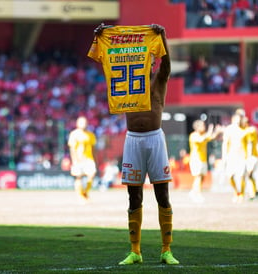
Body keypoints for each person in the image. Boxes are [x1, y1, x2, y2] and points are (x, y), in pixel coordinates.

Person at [90, 24, 179, 265]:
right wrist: (101, 37)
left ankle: (166, 250)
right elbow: (107, 61)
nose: (146, 64)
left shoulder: (159, 82)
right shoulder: (126, 81)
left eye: (149, 60)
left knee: (162, 194)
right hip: (133, 139)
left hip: (155, 138)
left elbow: (168, 66)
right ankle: (135, 251)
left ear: (151, 62)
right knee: (133, 196)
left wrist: (163, 36)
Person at [188, 119, 222, 203]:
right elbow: (202, 139)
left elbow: (211, 137)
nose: (204, 127)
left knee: (201, 177)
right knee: (198, 177)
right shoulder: (194, 135)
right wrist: (210, 131)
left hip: (203, 159)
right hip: (196, 159)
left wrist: (217, 131)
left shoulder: (203, 135)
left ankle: (193, 191)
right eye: (202, 125)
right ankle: (197, 194)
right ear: (197, 127)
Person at [67, 116, 97, 202]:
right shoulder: (74, 134)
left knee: (92, 175)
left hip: (89, 159)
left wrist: (95, 159)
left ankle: (85, 192)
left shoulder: (91, 135)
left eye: (84, 122)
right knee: (78, 177)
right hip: (78, 159)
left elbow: (93, 148)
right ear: (77, 124)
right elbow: (72, 149)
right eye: (81, 122)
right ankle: (80, 196)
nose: (83, 124)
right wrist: (74, 160)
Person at [222, 112, 248, 203]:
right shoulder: (229, 129)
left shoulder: (245, 130)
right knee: (230, 176)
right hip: (231, 156)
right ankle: (237, 191)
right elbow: (225, 143)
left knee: (242, 176)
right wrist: (224, 156)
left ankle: (241, 194)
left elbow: (248, 144)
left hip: (242, 156)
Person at [243, 116, 258, 200]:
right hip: (252, 156)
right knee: (250, 175)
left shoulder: (249, 131)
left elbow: (250, 143)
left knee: (249, 174)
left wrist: (248, 156)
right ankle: (255, 191)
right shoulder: (253, 130)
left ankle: (252, 194)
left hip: (251, 156)